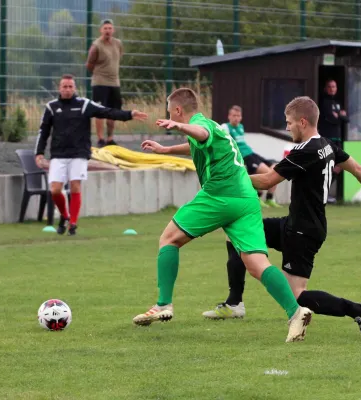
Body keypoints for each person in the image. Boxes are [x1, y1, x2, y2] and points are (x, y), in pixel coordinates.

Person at [202, 96, 361, 339]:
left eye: (289, 122)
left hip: (304, 231)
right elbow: (358, 169)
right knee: (236, 235)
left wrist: (228, 179)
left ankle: (360, 310)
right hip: (294, 224)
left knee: (297, 295)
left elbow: (269, 180)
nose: (287, 127)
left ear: (302, 122)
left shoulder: (305, 151)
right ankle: (235, 303)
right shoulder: (327, 144)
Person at [133, 88, 312, 343]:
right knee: (257, 264)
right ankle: (296, 313)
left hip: (221, 195)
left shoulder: (199, 124)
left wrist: (178, 127)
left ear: (177, 110)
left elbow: (200, 133)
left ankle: (163, 304)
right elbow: (200, 142)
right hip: (246, 199)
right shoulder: (215, 126)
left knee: (169, 239)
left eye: (170, 112)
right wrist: (166, 150)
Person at [35, 74, 147, 235]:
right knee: (55, 190)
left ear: (75, 88)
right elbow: (43, 131)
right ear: (59, 88)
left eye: (70, 87)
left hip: (79, 153)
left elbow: (106, 112)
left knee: (75, 186)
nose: (67, 89)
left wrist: (129, 114)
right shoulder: (51, 107)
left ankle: (73, 223)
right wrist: (39, 153)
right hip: (58, 154)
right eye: (64, 86)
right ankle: (65, 216)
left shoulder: (84, 105)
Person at [221, 105, 280, 208]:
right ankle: (257, 198)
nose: (236, 118)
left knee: (276, 169)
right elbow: (222, 143)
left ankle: (270, 198)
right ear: (229, 116)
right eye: (234, 115)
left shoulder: (241, 127)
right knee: (268, 173)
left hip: (251, 153)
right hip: (245, 157)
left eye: (238, 116)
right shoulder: (225, 127)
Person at [85, 19, 124, 147]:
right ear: (101, 30)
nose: (108, 31)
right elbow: (89, 64)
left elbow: (118, 58)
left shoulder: (118, 44)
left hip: (115, 82)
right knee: (100, 111)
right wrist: (98, 74)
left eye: (110, 28)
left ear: (113, 30)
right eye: (105, 28)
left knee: (113, 111)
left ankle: (110, 138)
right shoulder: (96, 45)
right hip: (100, 82)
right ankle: (101, 139)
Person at [318, 79, 349, 203]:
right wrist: (339, 116)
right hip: (327, 138)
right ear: (325, 88)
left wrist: (339, 116)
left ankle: (324, 192)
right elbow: (332, 118)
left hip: (338, 139)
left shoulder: (337, 102)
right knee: (327, 165)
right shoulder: (324, 102)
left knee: (338, 166)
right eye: (329, 86)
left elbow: (346, 119)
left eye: (334, 86)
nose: (332, 88)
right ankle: (321, 193)